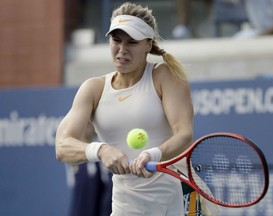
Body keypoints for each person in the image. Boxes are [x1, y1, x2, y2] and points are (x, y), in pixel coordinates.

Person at [56, 2, 197, 215]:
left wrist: (153, 154)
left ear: (148, 45)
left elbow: (184, 134)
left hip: (179, 195)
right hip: (127, 204)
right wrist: (101, 150)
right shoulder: (93, 88)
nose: (122, 50)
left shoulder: (164, 76)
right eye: (116, 40)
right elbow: (62, 146)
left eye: (132, 42)